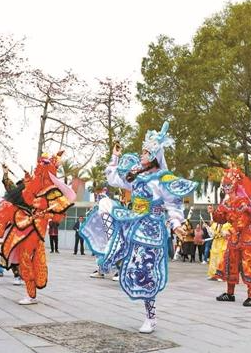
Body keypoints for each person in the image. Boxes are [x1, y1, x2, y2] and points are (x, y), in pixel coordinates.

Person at [81, 122, 195, 334]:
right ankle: (110, 258)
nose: (141, 155)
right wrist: (115, 157)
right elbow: (114, 178)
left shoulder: (164, 179)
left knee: (146, 272)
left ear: (153, 156)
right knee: (105, 205)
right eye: (142, 152)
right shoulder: (137, 174)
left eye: (145, 152)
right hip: (133, 221)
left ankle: (151, 317)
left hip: (151, 229)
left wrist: (177, 224)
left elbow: (173, 204)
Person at [0, 152, 75, 306]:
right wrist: (27, 182)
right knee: (6, 207)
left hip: (36, 228)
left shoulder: (53, 191)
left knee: (26, 258)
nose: (38, 170)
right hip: (26, 223)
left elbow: (60, 212)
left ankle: (31, 295)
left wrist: (50, 212)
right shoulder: (36, 188)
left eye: (42, 166)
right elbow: (27, 197)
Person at [212, 163, 251, 307]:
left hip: (246, 238)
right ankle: (230, 293)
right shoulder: (226, 202)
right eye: (224, 184)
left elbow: (244, 220)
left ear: (234, 184)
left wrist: (233, 230)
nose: (226, 187)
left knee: (248, 265)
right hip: (234, 239)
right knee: (231, 264)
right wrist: (214, 212)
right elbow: (220, 218)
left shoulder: (243, 201)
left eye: (228, 184)